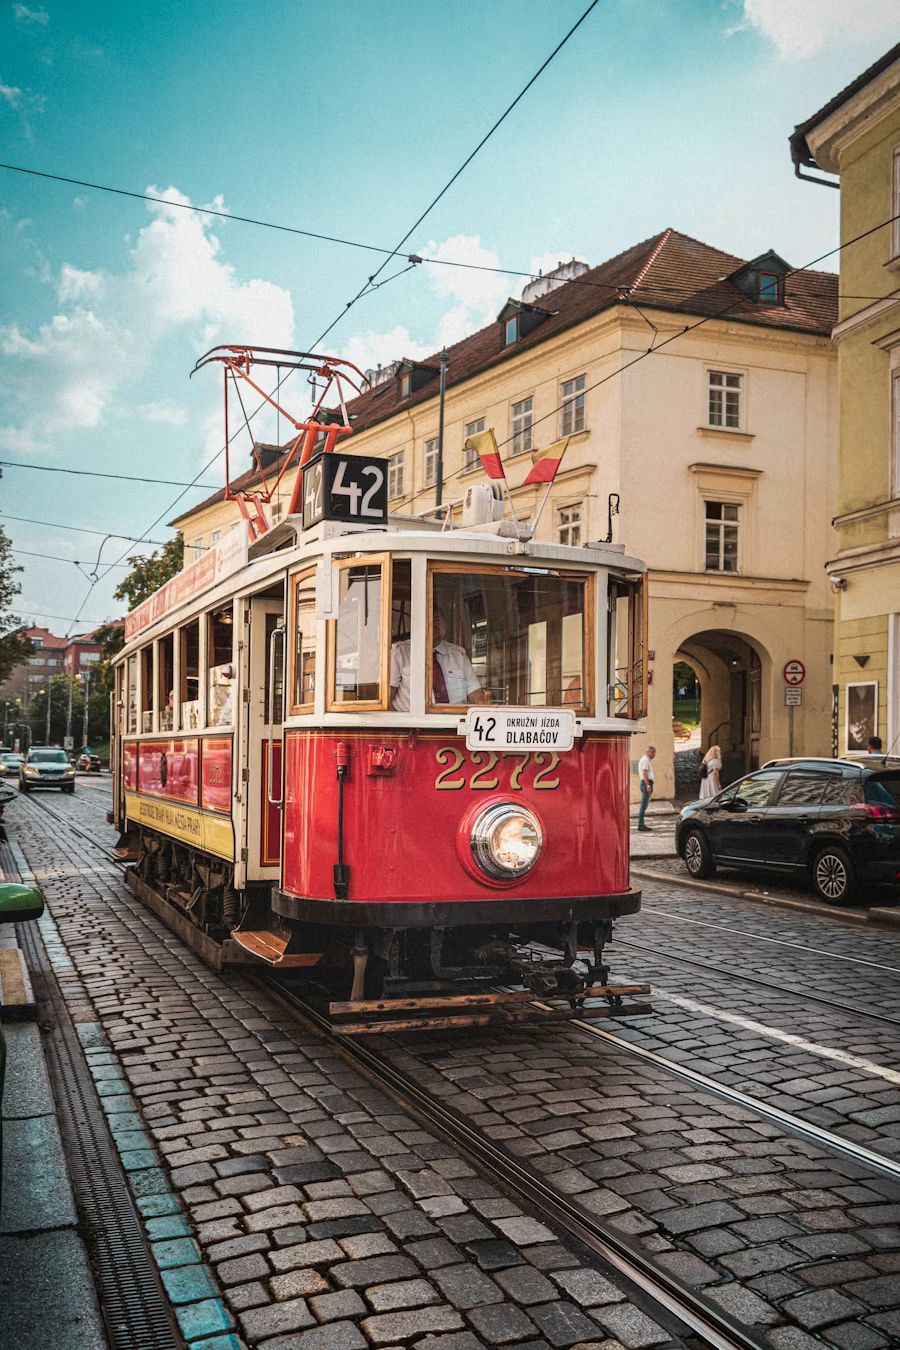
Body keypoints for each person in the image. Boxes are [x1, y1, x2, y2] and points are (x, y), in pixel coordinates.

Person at [391, 607, 488, 711]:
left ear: (445, 626)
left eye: (436, 620)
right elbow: (386, 699)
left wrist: (486, 712)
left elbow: (476, 695)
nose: (432, 624)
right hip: (414, 725)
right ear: (415, 624)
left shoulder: (459, 655)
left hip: (455, 723)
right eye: (427, 620)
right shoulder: (399, 652)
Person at [637, 746, 656, 831]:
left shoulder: (646, 760)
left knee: (644, 805)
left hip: (646, 783)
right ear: (648, 752)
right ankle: (641, 825)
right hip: (646, 783)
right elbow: (644, 773)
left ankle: (641, 824)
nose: (654, 754)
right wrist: (648, 786)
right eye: (653, 752)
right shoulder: (645, 760)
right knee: (643, 805)